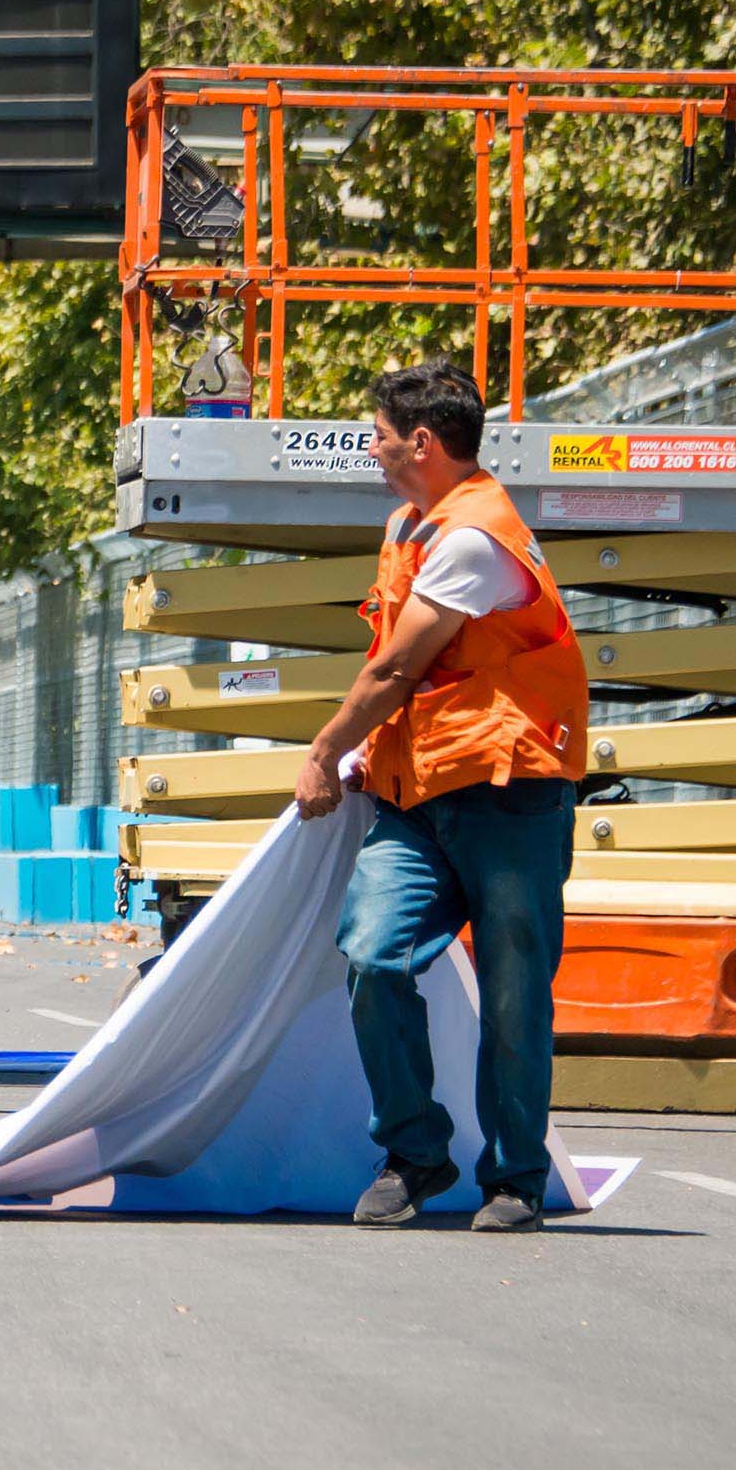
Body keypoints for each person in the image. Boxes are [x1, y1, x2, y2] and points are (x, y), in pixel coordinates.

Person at [293, 361, 590, 1234]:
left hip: (508, 795)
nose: (372, 449)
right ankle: (415, 1153)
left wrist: (322, 753)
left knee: (512, 995)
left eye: (378, 436)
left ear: (421, 442)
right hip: (420, 796)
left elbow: (393, 667)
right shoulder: (411, 527)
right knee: (374, 955)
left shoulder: (471, 539)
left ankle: (513, 1181)